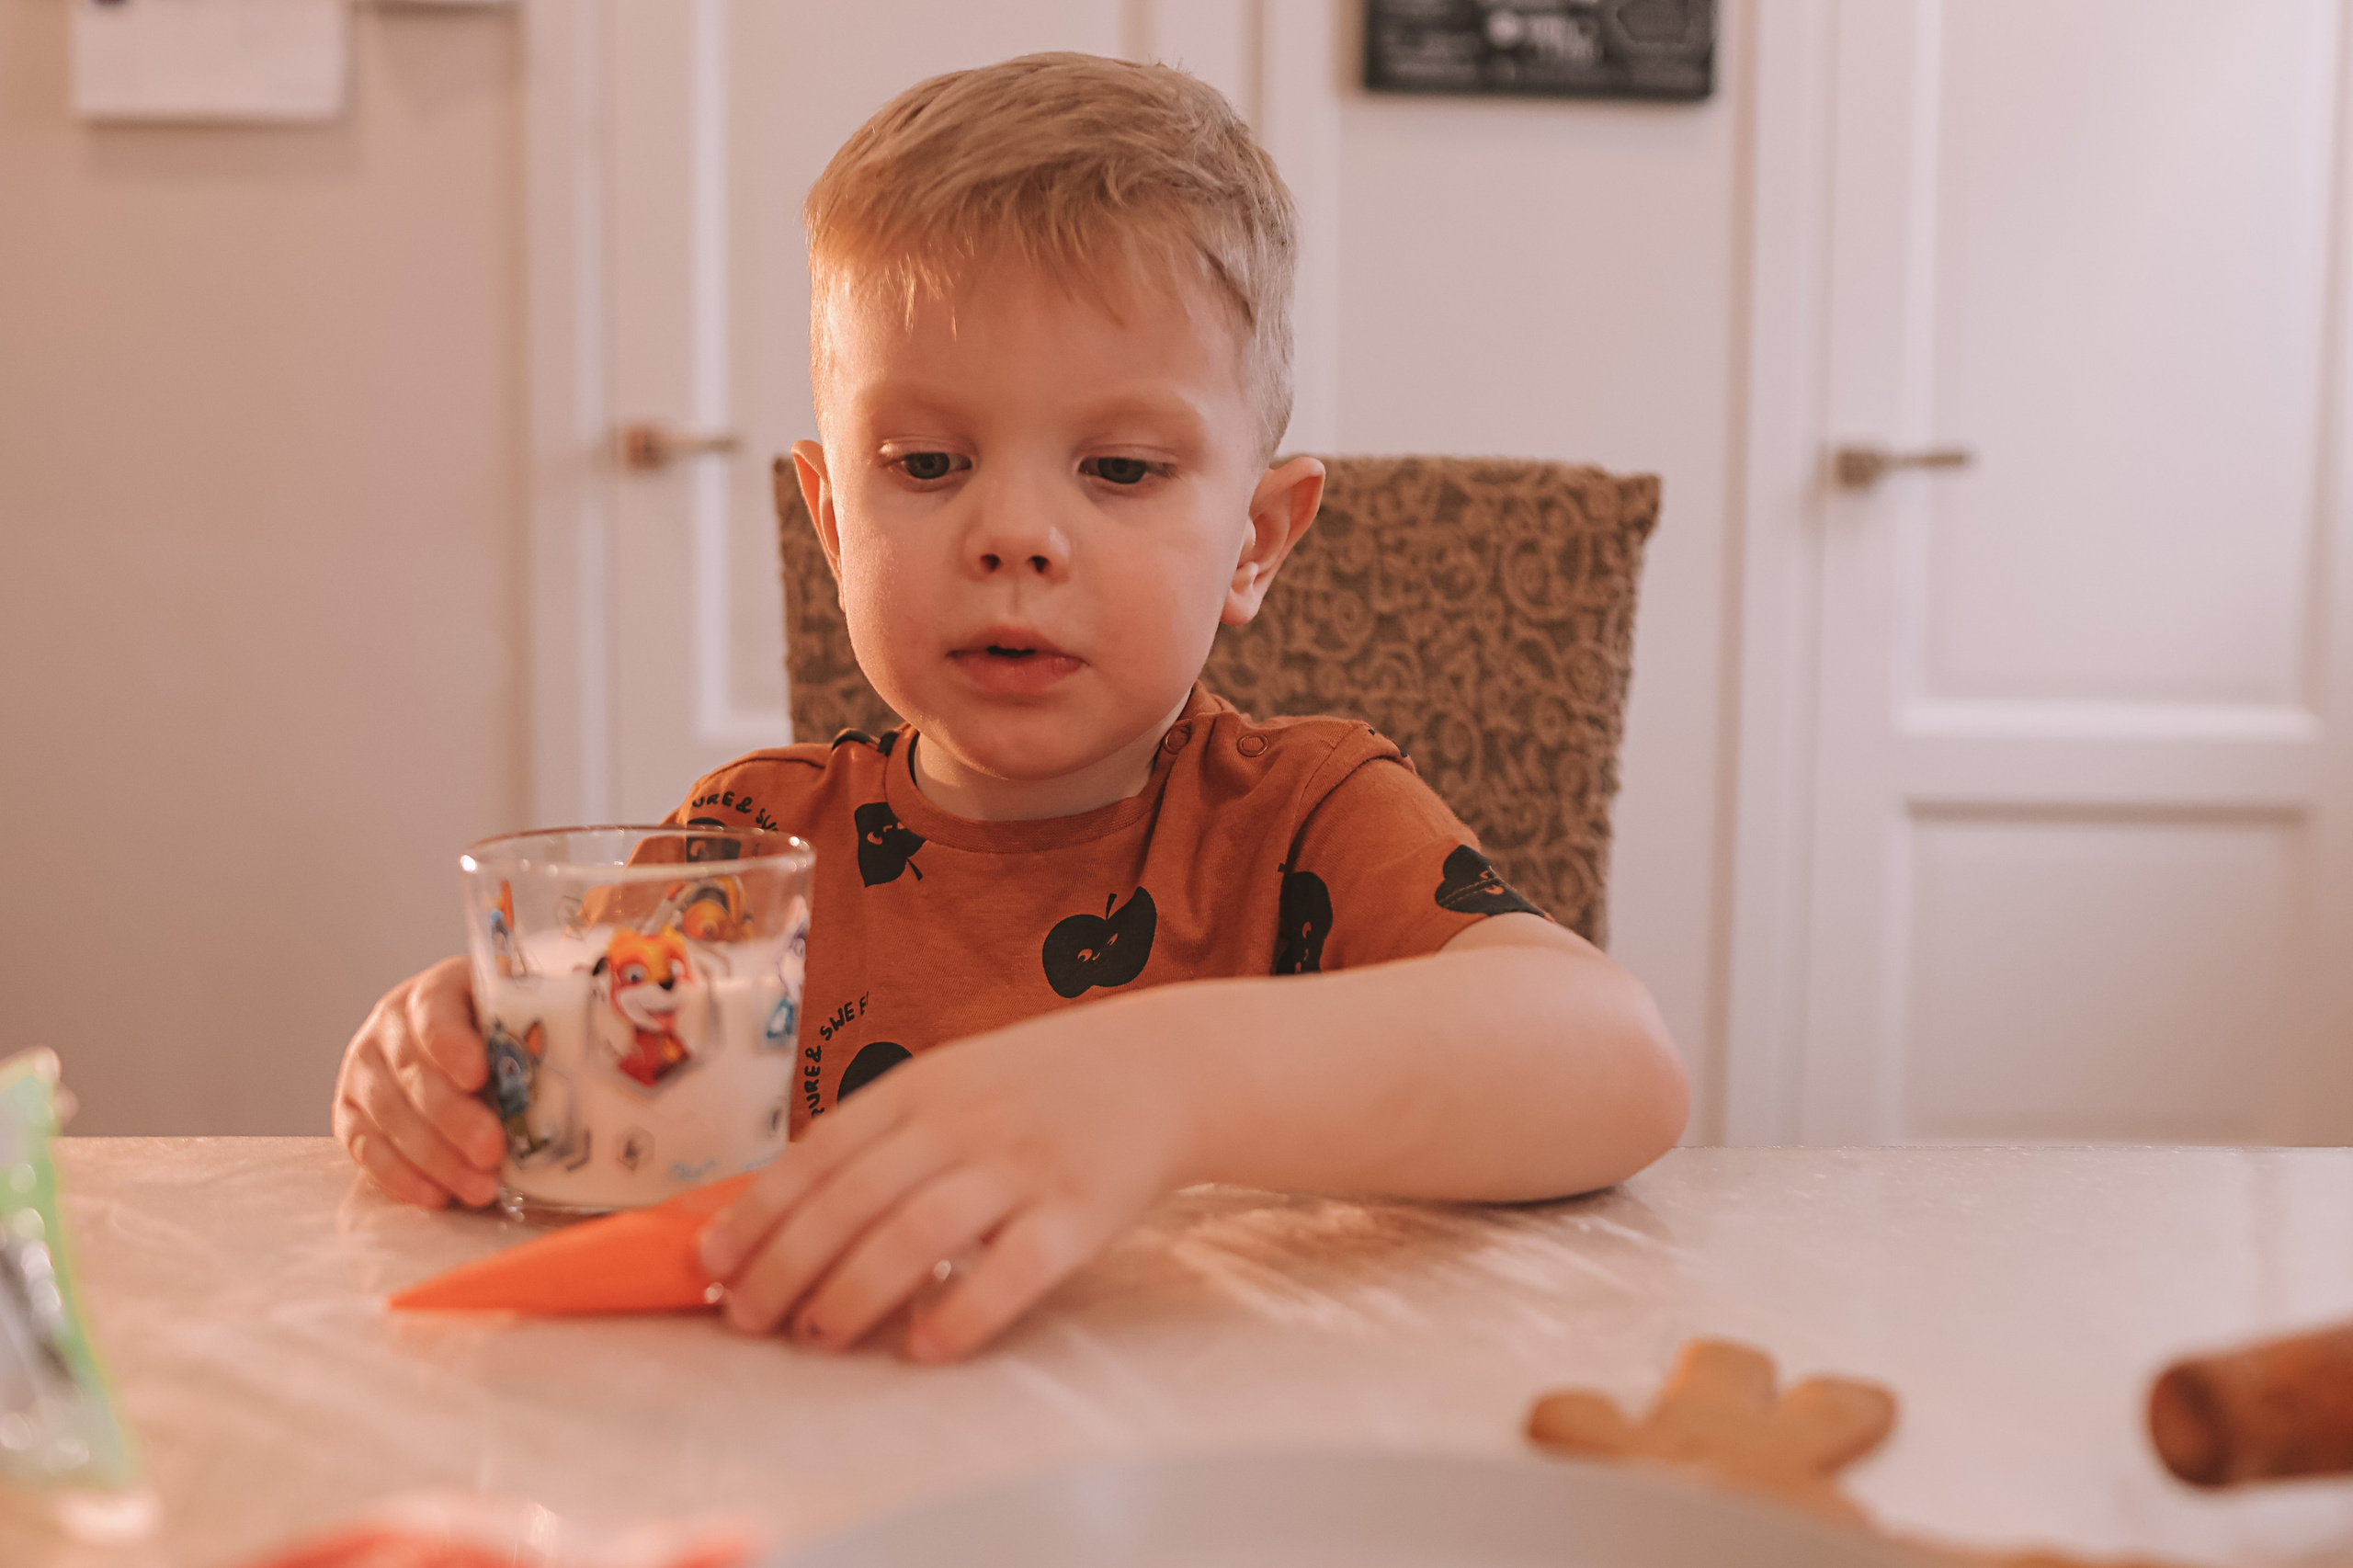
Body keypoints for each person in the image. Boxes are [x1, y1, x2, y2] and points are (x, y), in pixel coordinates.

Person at [333, 52, 1688, 1361]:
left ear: (1259, 541)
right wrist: (448, 1056)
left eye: (1120, 466)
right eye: (926, 461)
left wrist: (1160, 1084)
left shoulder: (1306, 822)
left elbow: (1621, 1064)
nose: (1015, 535)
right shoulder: (741, 849)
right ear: (828, 520)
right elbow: (597, 1076)